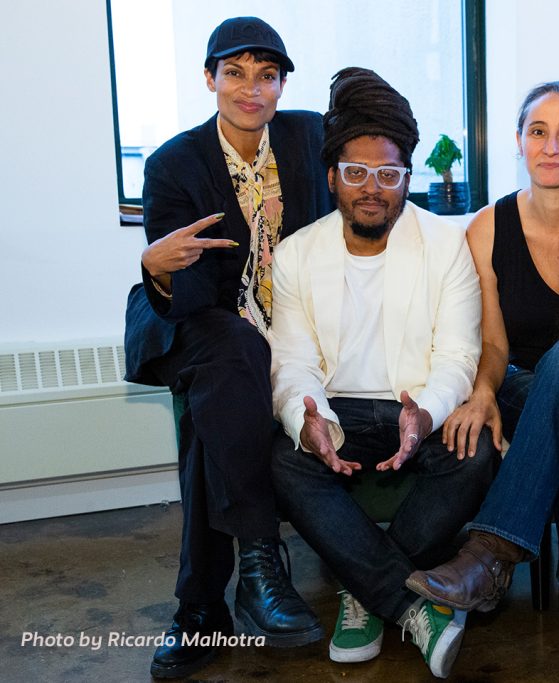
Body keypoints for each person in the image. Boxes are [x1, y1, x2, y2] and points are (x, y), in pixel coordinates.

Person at [268, 67, 499, 680]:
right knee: (285, 460)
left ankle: (362, 592)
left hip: (413, 410)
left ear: (406, 178)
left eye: (389, 174)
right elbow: (292, 361)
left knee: (474, 456)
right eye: (356, 173)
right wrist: (307, 417)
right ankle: (404, 605)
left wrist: (424, 412)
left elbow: (457, 355)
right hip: (340, 410)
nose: (373, 188)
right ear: (333, 177)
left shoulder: (444, 245)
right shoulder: (296, 255)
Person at [122, 16, 332, 679]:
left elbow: (376, 138)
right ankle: (261, 559)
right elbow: (189, 297)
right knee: (231, 350)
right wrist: (155, 266)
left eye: (266, 76)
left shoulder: (308, 137)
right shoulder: (174, 164)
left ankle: (202, 612)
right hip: (199, 317)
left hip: (282, 333)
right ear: (209, 79)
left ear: (280, 85)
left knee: (214, 419)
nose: (251, 89)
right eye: (235, 73)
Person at [405, 81, 559, 657]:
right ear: (518, 141)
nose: (552, 147)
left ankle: (490, 554)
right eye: (539, 132)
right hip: (525, 387)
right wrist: (484, 392)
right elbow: (493, 345)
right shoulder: (487, 228)